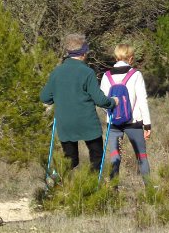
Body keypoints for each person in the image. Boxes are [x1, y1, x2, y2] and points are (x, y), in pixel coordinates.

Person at [40, 33, 118, 171]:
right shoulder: (87, 72)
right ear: (83, 53)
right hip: (87, 123)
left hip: (65, 124)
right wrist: (113, 102)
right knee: (96, 157)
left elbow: (45, 97)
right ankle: (92, 182)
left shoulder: (56, 72)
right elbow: (100, 100)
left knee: (70, 160)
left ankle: (57, 179)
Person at [100, 43, 151, 183]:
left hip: (113, 123)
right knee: (141, 156)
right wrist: (147, 124)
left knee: (115, 157)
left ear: (116, 57)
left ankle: (113, 189)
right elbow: (142, 100)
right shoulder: (136, 74)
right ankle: (150, 190)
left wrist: (110, 113)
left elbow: (102, 101)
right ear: (130, 58)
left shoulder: (106, 76)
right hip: (133, 122)